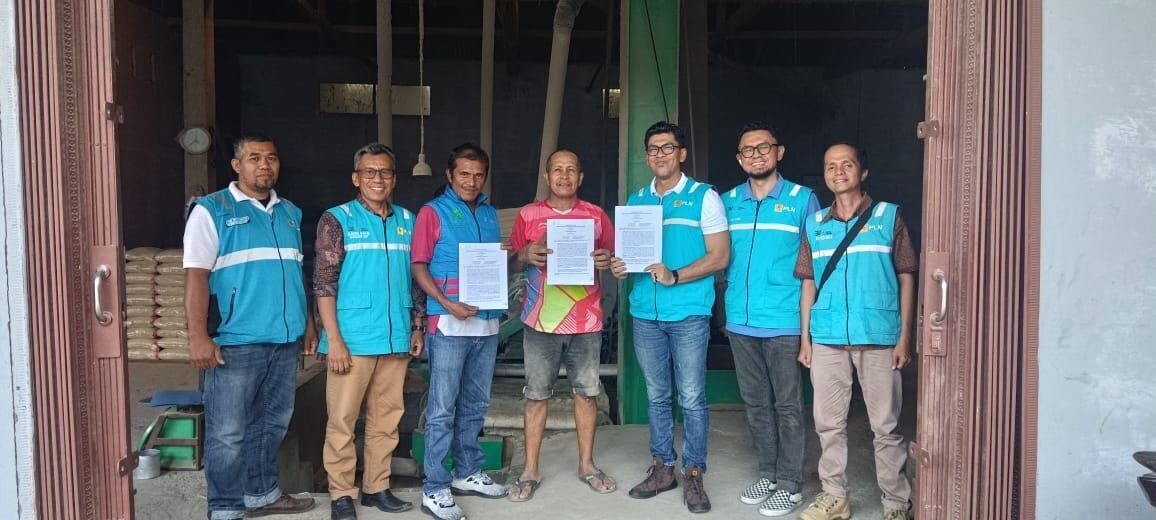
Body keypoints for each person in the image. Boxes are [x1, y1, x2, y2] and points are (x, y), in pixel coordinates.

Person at [183, 134, 318, 520]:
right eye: (254, 158)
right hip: (235, 341)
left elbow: (295, 272)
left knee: (272, 424)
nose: (264, 165)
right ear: (236, 165)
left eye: (271, 158)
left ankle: (261, 494)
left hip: (283, 340)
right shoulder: (212, 211)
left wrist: (307, 323)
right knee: (227, 433)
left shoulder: (289, 212)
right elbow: (195, 277)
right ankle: (225, 508)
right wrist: (198, 336)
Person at [611, 121, 731, 514]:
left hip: (688, 313)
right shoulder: (636, 200)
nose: (659, 155)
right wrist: (620, 266)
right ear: (646, 156)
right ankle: (663, 467)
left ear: (682, 153)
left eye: (667, 147)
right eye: (653, 149)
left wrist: (675, 275)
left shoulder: (703, 197)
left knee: (692, 396)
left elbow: (720, 256)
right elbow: (631, 258)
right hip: (645, 313)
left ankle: (694, 472)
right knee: (657, 395)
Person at [796, 143, 916, 520]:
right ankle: (835, 495)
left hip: (879, 335)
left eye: (847, 165)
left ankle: (895, 502)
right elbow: (808, 283)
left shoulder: (887, 217)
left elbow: (906, 277)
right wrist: (805, 339)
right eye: (831, 166)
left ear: (863, 172)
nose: (838, 172)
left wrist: (904, 337)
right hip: (827, 336)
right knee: (828, 423)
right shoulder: (815, 224)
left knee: (886, 426)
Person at [313, 143, 423, 519]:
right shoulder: (337, 219)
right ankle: (342, 493)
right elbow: (323, 283)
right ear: (356, 178)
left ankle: (377, 486)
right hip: (352, 340)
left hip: (395, 337)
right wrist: (334, 341)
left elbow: (416, 280)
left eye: (385, 172)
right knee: (343, 421)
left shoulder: (408, 221)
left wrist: (417, 326)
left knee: (387, 419)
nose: (378, 179)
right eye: (370, 172)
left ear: (394, 179)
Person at [506, 149, 617, 502]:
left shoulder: (596, 216)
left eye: (571, 170)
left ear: (580, 177)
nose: (564, 176)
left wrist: (606, 258)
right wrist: (523, 255)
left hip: (586, 320)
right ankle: (531, 470)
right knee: (536, 395)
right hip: (540, 320)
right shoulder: (528, 214)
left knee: (586, 393)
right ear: (546, 176)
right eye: (558, 169)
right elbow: (510, 264)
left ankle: (587, 465)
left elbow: (615, 258)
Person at [722, 123, 820, 517]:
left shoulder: (802, 199)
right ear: (739, 158)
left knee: (788, 405)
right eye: (748, 149)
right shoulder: (728, 202)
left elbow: (814, 264)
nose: (756, 154)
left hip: (784, 320)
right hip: (740, 320)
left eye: (764, 147)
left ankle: (790, 484)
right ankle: (768, 473)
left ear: (779, 152)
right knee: (756, 403)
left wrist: (809, 328)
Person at [412, 143, 510, 520]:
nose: (471, 181)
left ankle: (467, 471)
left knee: (476, 403)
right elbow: (418, 265)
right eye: (464, 174)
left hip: (486, 322)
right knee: (442, 407)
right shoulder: (432, 212)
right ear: (450, 175)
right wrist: (446, 303)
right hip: (449, 321)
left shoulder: (488, 214)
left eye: (478, 174)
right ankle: (435, 487)